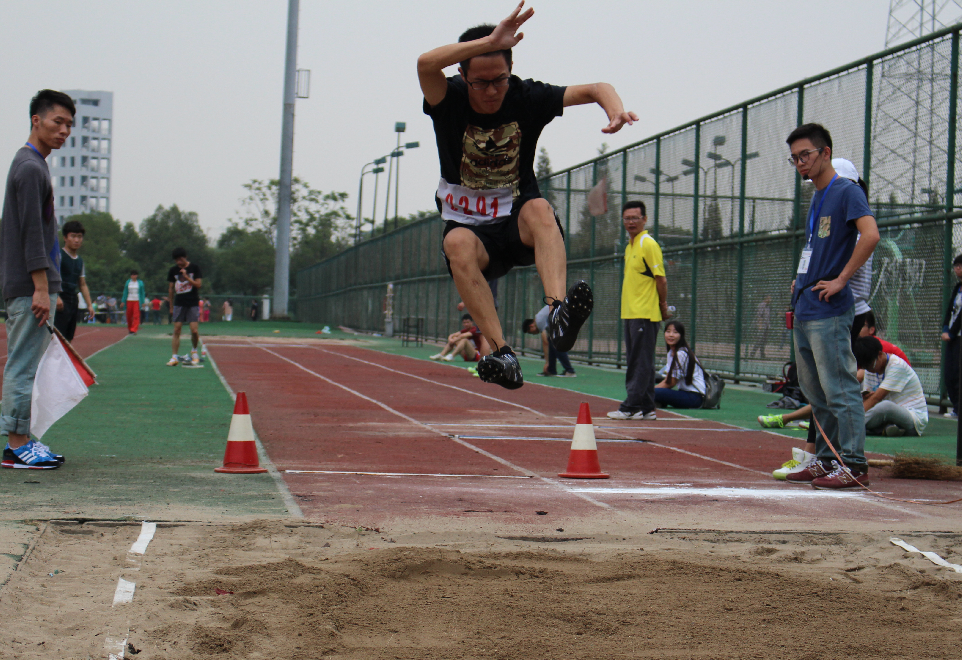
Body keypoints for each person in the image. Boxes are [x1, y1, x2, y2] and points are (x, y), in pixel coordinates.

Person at [418, 1, 637, 389]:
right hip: (472, 231)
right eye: (480, 83)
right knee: (455, 244)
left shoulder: (526, 96)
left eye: (499, 80)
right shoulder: (448, 98)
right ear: (462, 75)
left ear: (511, 71)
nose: (491, 91)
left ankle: (558, 314)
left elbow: (596, 88)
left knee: (539, 208)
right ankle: (502, 353)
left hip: (516, 223)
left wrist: (615, 109)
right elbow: (424, 64)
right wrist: (490, 41)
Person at [781, 124, 879, 490]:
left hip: (830, 309)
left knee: (840, 388)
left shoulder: (846, 191)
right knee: (816, 392)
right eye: (794, 158)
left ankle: (853, 463)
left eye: (805, 155)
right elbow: (814, 246)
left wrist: (841, 279)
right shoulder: (817, 197)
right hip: (806, 305)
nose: (800, 163)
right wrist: (800, 280)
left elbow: (871, 235)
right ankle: (825, 459)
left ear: (825, 153)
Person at [1, 89, 75, 470]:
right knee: (23, 365)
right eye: (57, 122)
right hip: (28, 286)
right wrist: (42, 288)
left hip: (36, 284)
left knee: (29, 364)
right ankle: (16, 446)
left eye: (69, 125)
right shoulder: (30, 167)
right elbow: (32, 233)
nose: (64, 131)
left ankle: (23, 439)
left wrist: (52, 286)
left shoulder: (34, 164)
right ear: (37, 120)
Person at [761, 310, 910, 431]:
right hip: (880, 391)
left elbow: (860, 377)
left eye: (861, 324)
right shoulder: (859, 347)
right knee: (838, 393)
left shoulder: (877, 349)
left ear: (872, 330)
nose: (855, 327)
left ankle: (824, 423)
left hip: (894, 395)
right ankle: (799, 419)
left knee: (839, 392)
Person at [607, 201, 671, 421]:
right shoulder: (629, 246)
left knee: (639, 362)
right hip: (631, 312)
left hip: (645, 313)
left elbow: (661, 279)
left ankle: (631, 406)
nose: (631, 222)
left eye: (635, 218)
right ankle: (647, 407)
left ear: (645, 219)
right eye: (627, 218)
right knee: (641, 360)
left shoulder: (648, 244)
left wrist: (662, 305)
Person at [853, 336, 928, 437]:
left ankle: (852, 425)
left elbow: (876, 398)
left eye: (871, 366)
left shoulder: (897, 365)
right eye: (865, 367)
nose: (869, 370)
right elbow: (870, 399)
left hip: (913, 418)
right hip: (889, 417)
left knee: (886, 406)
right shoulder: (870, 369)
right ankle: (884, 429)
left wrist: (855, 416)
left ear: (880, 354)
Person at [53, 219, 94, 342]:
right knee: (56, 338)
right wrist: (56, 297)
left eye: (79, 237)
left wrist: (89, 305)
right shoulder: (59, 256)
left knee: (68, 337)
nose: (77, 240)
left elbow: (82, 284)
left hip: (73, 300)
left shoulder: (80, 261)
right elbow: (51, 277)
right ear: (65, 238)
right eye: (73, 236)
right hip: (60, 300)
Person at [653, 321, 705, 409]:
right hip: (685, 393)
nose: (671, 335)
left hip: (694, 397)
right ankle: (657, 402)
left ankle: (653, 400)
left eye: (675, 332)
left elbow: (671, 383)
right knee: (652, 392)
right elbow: (667, 379)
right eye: (668, 331)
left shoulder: (681, 354)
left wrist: (651, 390)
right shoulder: (671, 353)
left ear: (681, 336)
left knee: (650, 393)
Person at [166, 247, 203, 366]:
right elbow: (171, 289)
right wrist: (171, 306)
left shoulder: (194, 268)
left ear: (185, 257)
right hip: (179, 302)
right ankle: (174, 357)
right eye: (176, 260)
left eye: (180, 259)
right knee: (177, 329)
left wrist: (187, 277)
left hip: (192, 302)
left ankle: (194, 351)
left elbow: (198, 285)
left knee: (194, 330)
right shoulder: (173, 270)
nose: (178, 262)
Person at [522, 306, 576, 377]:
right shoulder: (539, 318)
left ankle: (570, 371)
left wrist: (547, 362)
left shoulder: (539, 321)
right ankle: (551, 370)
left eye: (530, 332)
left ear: (531, 326)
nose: (533, 334)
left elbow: (545, 342)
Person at [940, 253, 962, 417]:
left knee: (958, 372)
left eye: (959, 266)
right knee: (950, 373)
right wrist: (945, 328)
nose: (957, 269)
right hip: (952, 337)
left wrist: (952, 333)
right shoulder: (957, 287)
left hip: (958, 336)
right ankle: (956, 407)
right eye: (956, 266)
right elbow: (950, 310)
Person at [119, 270, 145, 334]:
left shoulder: (140, 283)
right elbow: (125, 292)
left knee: (136, 315)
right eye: (132, 275)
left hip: (137, 300)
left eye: (134, 274)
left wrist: (143, 302)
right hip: (129, 300)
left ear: (137, 275)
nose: (133, 276)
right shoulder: (128, 282)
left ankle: (134, 329)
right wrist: (123, 301)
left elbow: (142, 293)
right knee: (129, 315)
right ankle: (130, 328)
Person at [747, 295, 771, 359]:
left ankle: (762, 354)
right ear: (765, 298)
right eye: (769, 298)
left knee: (764, 340)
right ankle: (752, 353)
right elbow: (759, 315)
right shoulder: (762, 305)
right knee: (759, 340)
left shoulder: (768, 306)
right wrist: (760, 325)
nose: (770, 300)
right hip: (762, 326)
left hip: (766, 326)